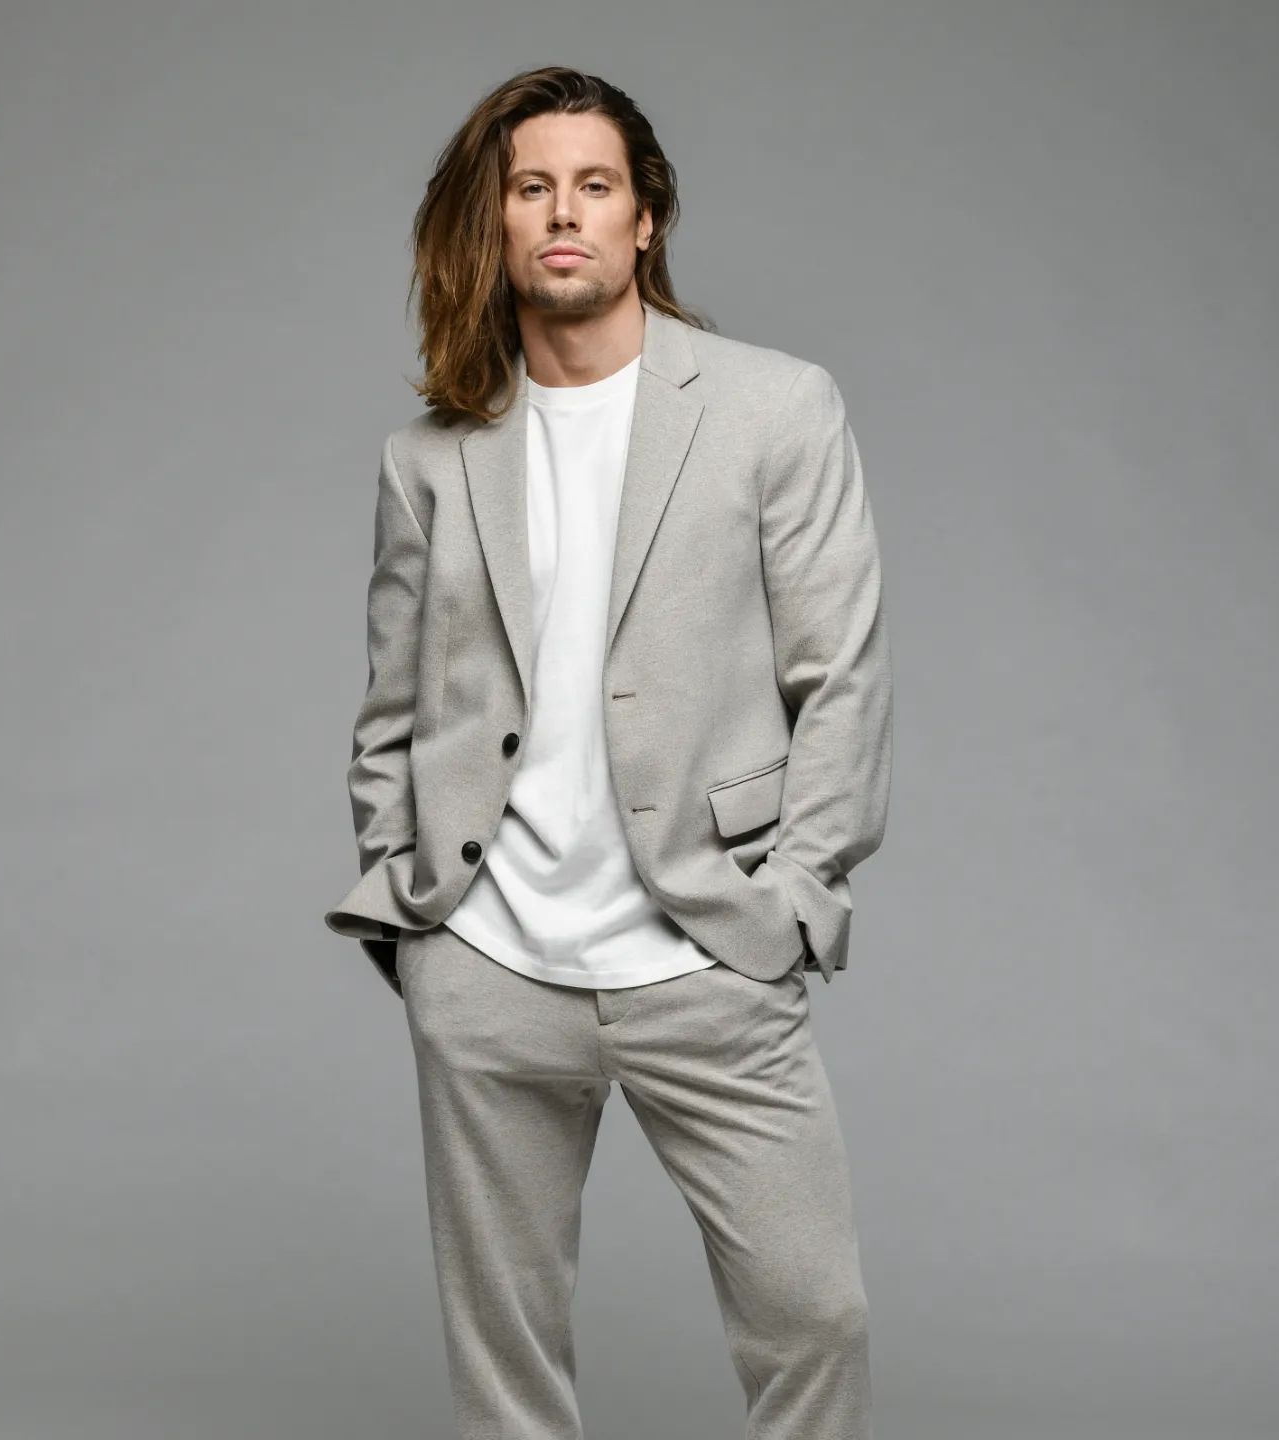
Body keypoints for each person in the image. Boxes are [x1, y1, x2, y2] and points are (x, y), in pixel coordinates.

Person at [324, 64, 894, 1440]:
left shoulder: (774, 409)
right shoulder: (430, 456)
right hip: (491, 962)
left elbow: (843, 677)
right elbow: (392, 707)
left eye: (595, 185)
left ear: (647, 220)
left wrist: (794, 898)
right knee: (507, 1369)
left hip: (710, 950)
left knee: (815, 1319)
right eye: (532, 188)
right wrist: (415, 917)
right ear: (497, 222)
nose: (563, 212)